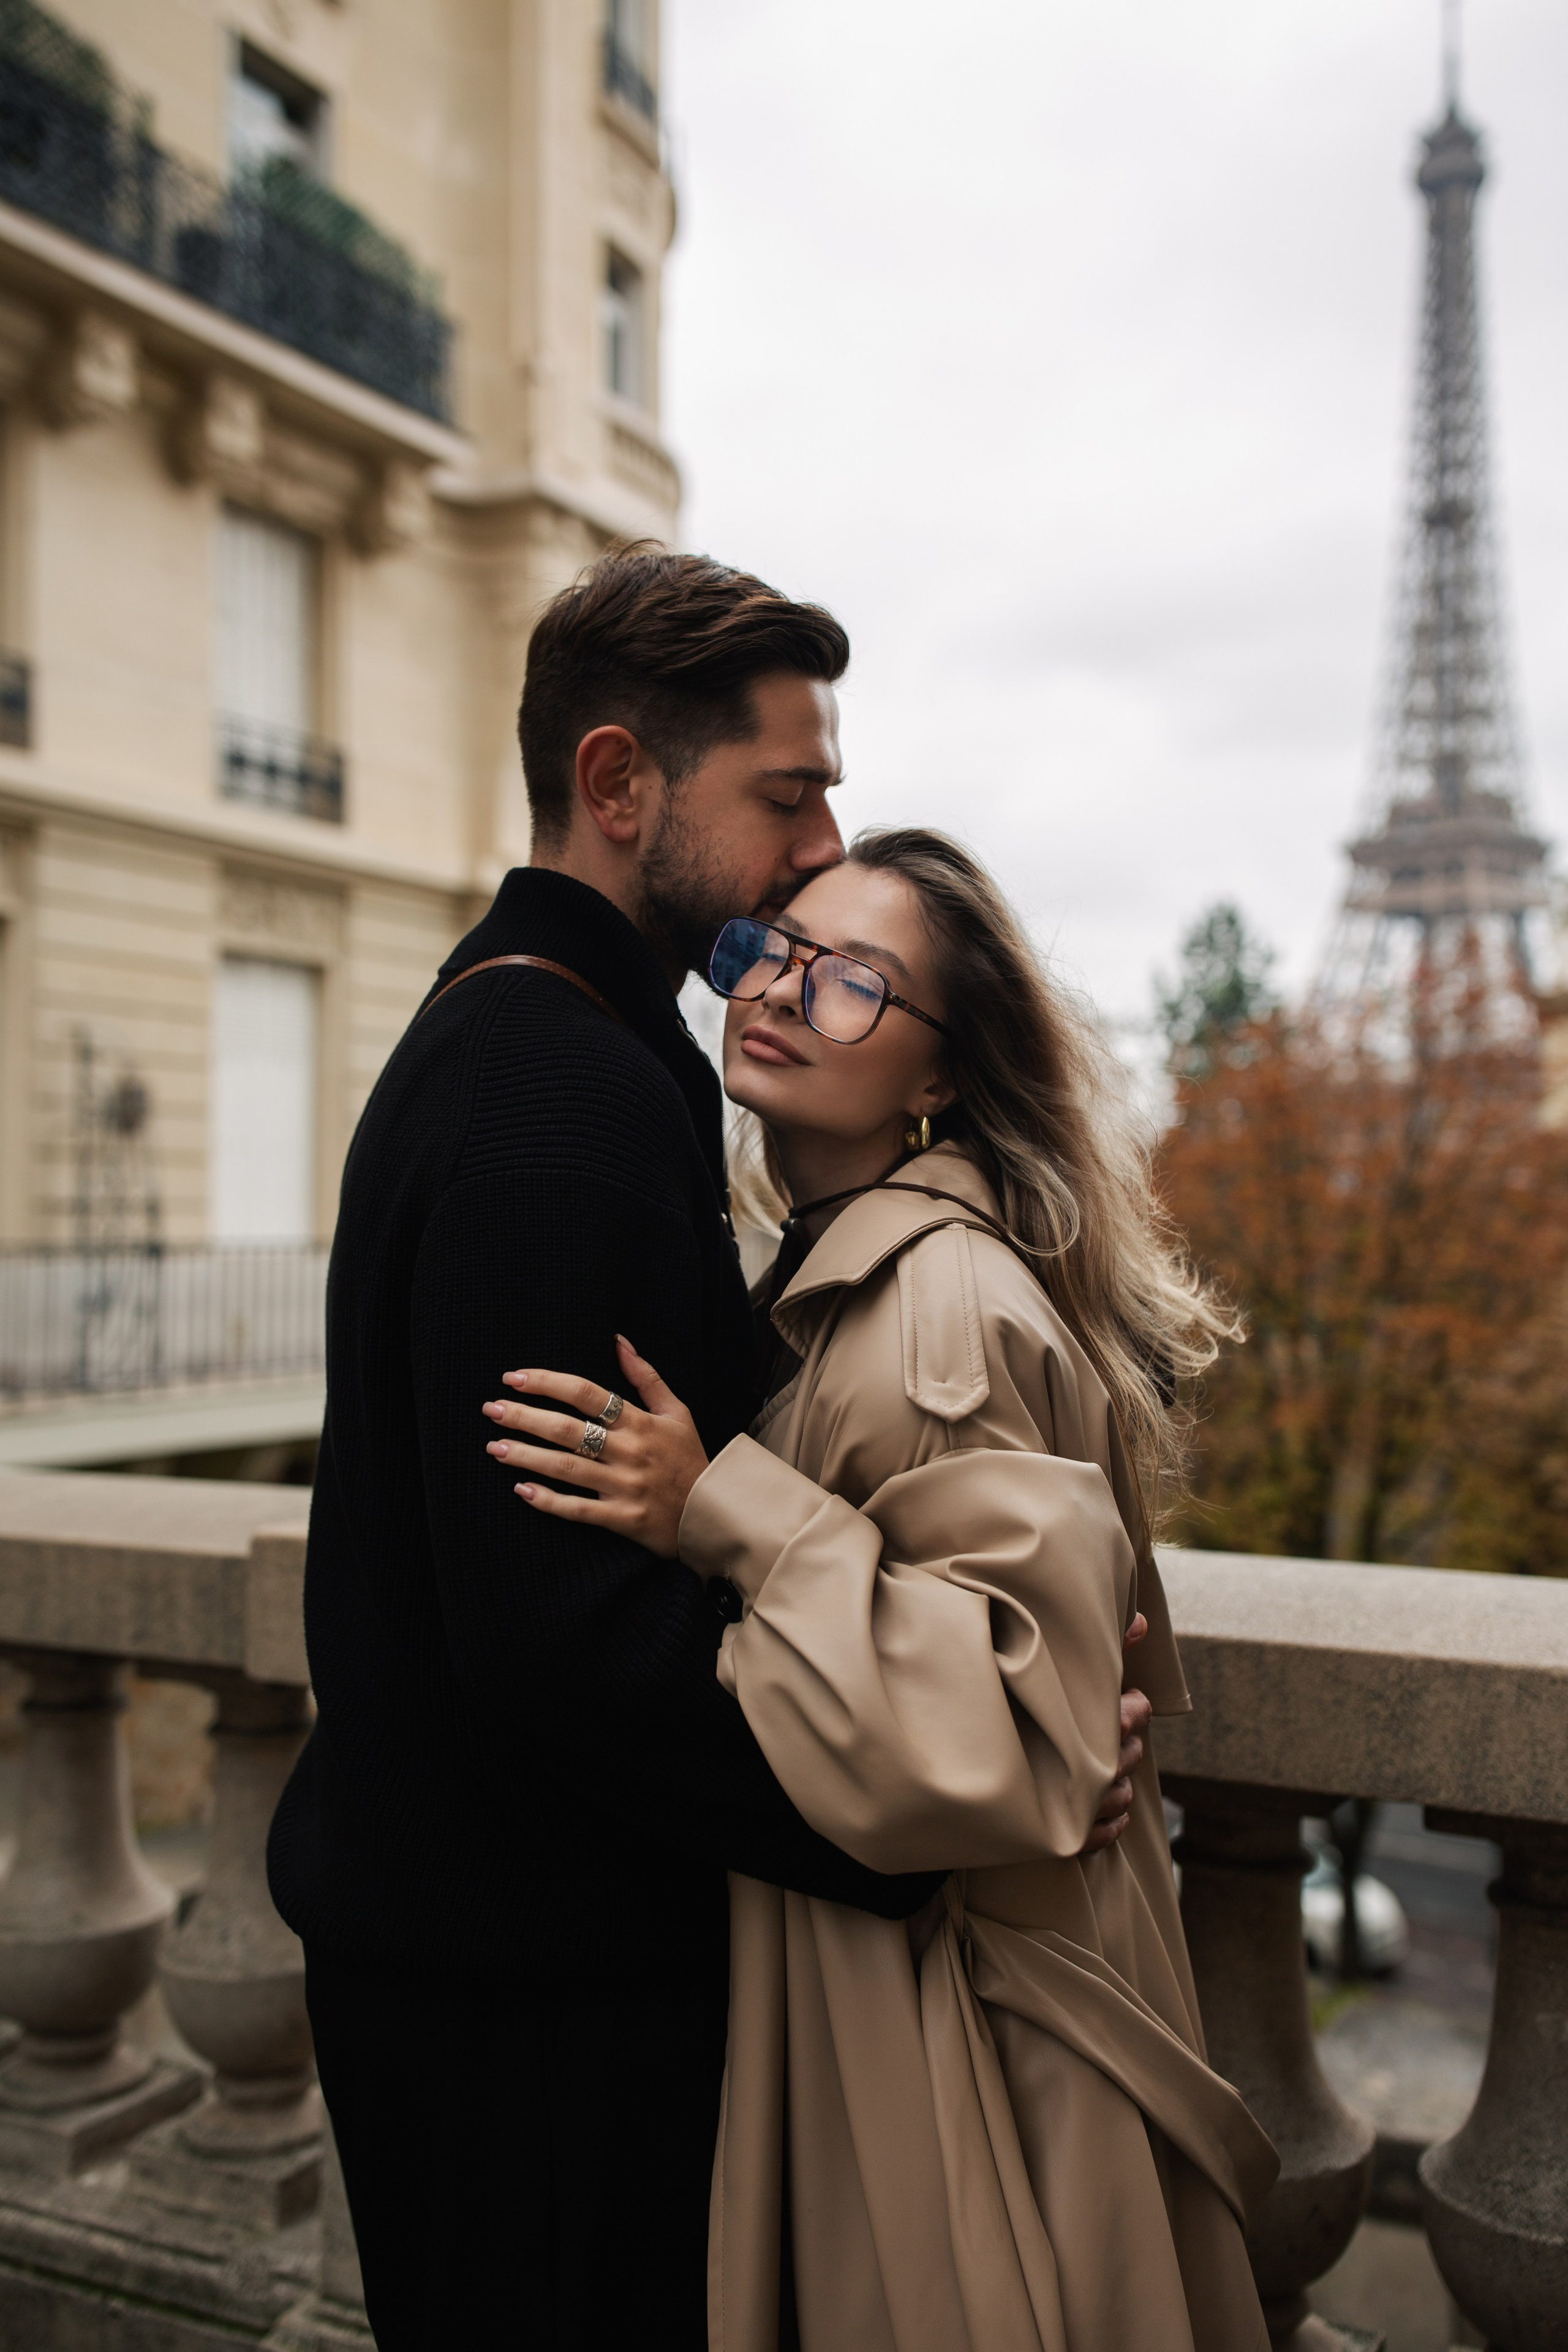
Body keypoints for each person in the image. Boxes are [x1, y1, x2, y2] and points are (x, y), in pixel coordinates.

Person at [267, 549, 1148, 2351]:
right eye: (787, 794)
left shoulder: (536, 1031)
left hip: (492, 1971)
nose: (820, 845)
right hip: (528, 2012)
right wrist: (938, 1812)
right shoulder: (559, 1092)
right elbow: (553, 1634)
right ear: (618, 784)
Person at [483, 827, 1279, 2351]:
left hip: (965, 2026)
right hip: (920, 1990)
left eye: (853, 982)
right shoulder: (847, 1275)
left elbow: (1015, 1731)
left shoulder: (934, 1311)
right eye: (775, 951)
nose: (782, 991)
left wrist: (717, 1505)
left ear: (939, 1076)